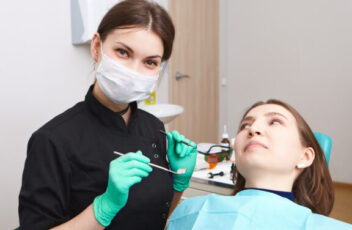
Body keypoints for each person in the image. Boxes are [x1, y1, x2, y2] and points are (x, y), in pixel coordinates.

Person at [18, 0, 198, 229]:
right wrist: (103, 207)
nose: (134, 71)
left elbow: (158, 215)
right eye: (123, 52)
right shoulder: (52, 140)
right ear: (96, 47)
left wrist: (179, 183)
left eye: (150, 62)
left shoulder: (154, 128)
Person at [167, 99, 352, 230]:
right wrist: (176, 186)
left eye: (275, 122)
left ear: (305, 156)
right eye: (244, 126)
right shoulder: (189, 210)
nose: (253, 129)